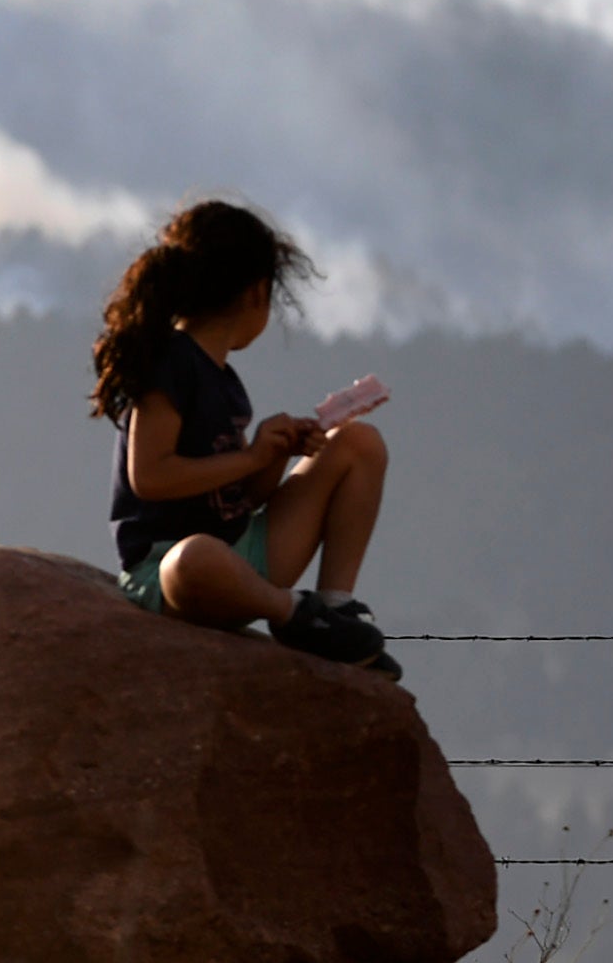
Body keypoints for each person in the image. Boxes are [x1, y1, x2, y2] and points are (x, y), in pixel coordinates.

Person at [92, 198, 399, 679]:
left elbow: (238, 498)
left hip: (241, 552)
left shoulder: (226, 383)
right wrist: (252, 454)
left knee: (359, 443)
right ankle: (294, 615)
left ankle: (333, 609)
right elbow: (150, 477)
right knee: (192, 558)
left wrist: (273, 457)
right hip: (173, 577)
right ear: (257, 293)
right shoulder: (168, 364)